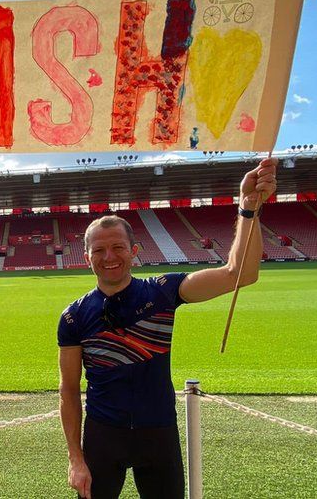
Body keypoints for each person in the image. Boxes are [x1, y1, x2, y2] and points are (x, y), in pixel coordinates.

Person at [59, 158, 277, 499]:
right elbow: (68, 391)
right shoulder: (74, 316)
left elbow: (240, 274)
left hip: (158, 431)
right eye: (99, 250)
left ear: (133, 251)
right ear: (88, 257)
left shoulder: (162, 291)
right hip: (103, 436)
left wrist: (248, 207)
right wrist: (75, 458)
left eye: (117, 247)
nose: (109, 256)